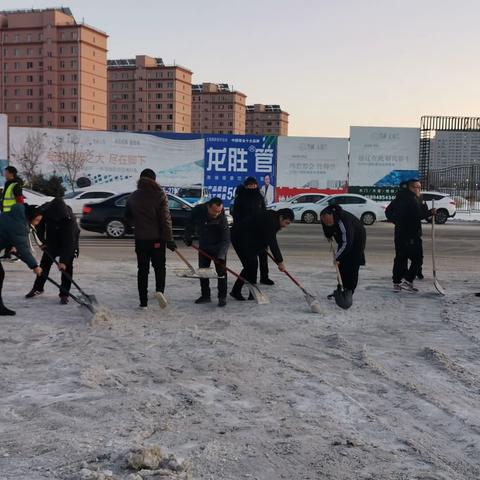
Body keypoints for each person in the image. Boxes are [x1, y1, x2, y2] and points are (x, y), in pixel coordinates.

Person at [125, 168, 176, 309]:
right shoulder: (159, 195)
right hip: (157, 240)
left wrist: (135, 225)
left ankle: (143, 302)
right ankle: (160, 291)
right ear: (154, 180)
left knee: (142, 270)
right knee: (159, 268)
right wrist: (170, 239)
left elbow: (127, 217)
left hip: (141, 239)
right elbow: (166, 219)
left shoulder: (133, 196)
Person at [230, 208, 293, 301]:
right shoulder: (271, 221)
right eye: (286, 223)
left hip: (249, 239)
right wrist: (280, 261)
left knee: (251, 266)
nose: (285, 226)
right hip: (239, 238)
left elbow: (264, 233)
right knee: (251, 265)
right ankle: (244, 292)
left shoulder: (273, 217)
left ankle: (248, 292)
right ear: (281, 217)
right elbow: (272, 242)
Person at [25, 198, 80, 304]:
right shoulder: (46, 210)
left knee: (67, 268)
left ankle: (64, 294)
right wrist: (42, 242)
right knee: (44, 264)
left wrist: (63, 261)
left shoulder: (69, 219)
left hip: (69, 241)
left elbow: (69, 242)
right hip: (52, 240)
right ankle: (38, 288)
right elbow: (39, 225)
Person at [385, 179, 435, 292]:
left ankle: (397, 283)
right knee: (417, 259)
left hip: (399, 233)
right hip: (411, 235)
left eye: (419, 187)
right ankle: (408, 281)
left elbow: (388, 211)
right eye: (416, 187)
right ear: (410, 188)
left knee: (400, 258)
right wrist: (430, 212)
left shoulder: (400, 197)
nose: (418, 189)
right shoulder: (411, 199)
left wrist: (397, 222)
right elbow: (417, 215)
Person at [184, 197, 230, 307]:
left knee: (222, 273)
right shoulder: (198, 210)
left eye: (219, 211)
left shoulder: (221, 217)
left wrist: (221, 256)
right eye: (214, 211)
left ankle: (222, 297)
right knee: (203, 272)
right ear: (208, 207)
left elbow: (226, 239)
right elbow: (189, 223)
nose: (217, 213)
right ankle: (205, 296)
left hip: (219, 247)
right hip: (204, 245)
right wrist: (187, 236)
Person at [0, 204, 43, 315]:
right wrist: (34, 266)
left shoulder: (14, 215)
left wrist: (11, 245)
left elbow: (6, 231)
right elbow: (24, 250)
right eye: (37, 220)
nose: (37, 223)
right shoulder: (19, 225)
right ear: (30, 217)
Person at [231, 176, 274, 285]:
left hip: (260, 230)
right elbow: (236, 215)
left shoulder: (259, 196)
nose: (252, 187)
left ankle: (264, 277)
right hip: (247, 232)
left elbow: (263, 211)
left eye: (254, 185)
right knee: (252, 259)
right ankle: (250, 278)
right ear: (246, 186)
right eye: (250, 185)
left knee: (263, 255)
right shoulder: (240, 197)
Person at [320, 205, 366, 297]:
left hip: (357, 239)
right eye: (325, 222)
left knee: (352, 266)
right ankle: (341, 288)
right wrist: (328, 234)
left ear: (333, 216)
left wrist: (337, 257)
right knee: (341, 266)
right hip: (345, 239)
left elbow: (346, 243)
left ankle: (349, 291)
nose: (327, 224)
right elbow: (326, 226)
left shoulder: (344, 223)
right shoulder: (325, 216)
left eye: (329, 222)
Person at [0, 166, 25, 261]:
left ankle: (17, 254)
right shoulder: (8, 183)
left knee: (13, 234)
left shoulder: (15, 184)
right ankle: (8, 253)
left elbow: (19, 199)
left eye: (6, 172)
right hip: (6, 214)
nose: (4, 174)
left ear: (11, 173)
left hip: (13, 214)